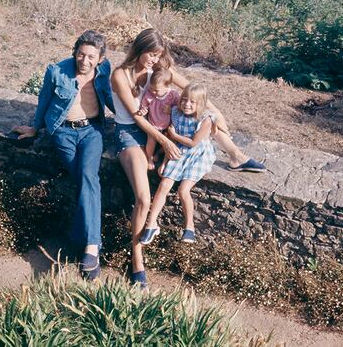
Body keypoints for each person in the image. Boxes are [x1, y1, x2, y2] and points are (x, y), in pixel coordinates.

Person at [111, 28, 264, 289]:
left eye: (159, 55)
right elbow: (137, 117)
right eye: (150, 54)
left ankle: (236, 156)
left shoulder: (158, 70)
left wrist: (217, 113)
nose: (154, 60)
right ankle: (137, 259)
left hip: (158, 127)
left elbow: (192, 92)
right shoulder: (120, 75)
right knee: (143, 198)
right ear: (139, 49)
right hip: (133, 134)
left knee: (204, 121)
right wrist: (166, 141)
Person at [13, 29, 114, 280]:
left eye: (91, 56)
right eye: (81, 54)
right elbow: (44, 100)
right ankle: (82, 244)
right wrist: (35, 128)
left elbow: (114, 100)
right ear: (74, 52)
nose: (85, 60)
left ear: (100, 58)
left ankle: (91, 247)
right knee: (84, 180)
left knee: (88, 176)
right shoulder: (57, 71)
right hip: (64, 134)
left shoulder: (104, 71)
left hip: (92, 132)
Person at [140, 82, 216, 245]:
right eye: (184, 100)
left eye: (192, 102)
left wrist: (173, 136)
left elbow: (193, 143)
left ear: (201, 104)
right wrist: (165, 160)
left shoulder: (205, 119)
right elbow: (169, 140)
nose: (186, 104)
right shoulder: (175, 112)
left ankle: (189, 227)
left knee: (183, 190)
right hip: (177, 150)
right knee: (164, 185)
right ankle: (151, 224)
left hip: (198, 154)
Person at [137, 68, 180, 170]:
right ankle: (150, 157)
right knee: (151, 140)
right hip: (153, 124)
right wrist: (143, 110)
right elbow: (144, 106)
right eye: (152, 88)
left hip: (168, 124)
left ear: (167, 86)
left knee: (171, 138)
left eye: (157, 90)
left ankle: (159, 153)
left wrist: (171, 109)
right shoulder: (149, 94)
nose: (154, 92)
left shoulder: (172, 95)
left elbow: (179, 108)